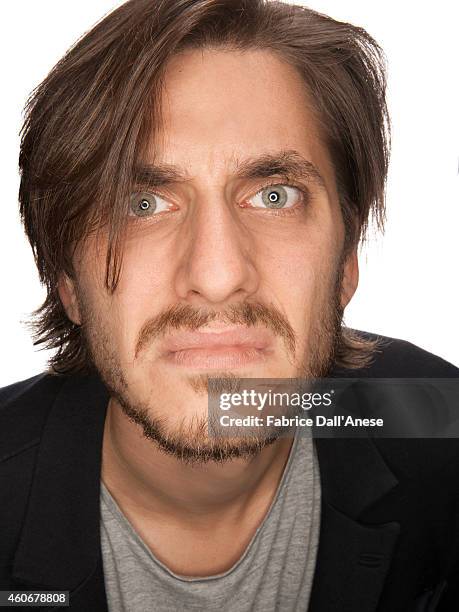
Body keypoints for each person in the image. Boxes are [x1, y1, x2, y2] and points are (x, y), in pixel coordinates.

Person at [1, 1, 458, 610]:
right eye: (141, 205)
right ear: (65, 280)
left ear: (346, 257)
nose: (217, 277)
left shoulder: (436, 423)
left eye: (274, 196)